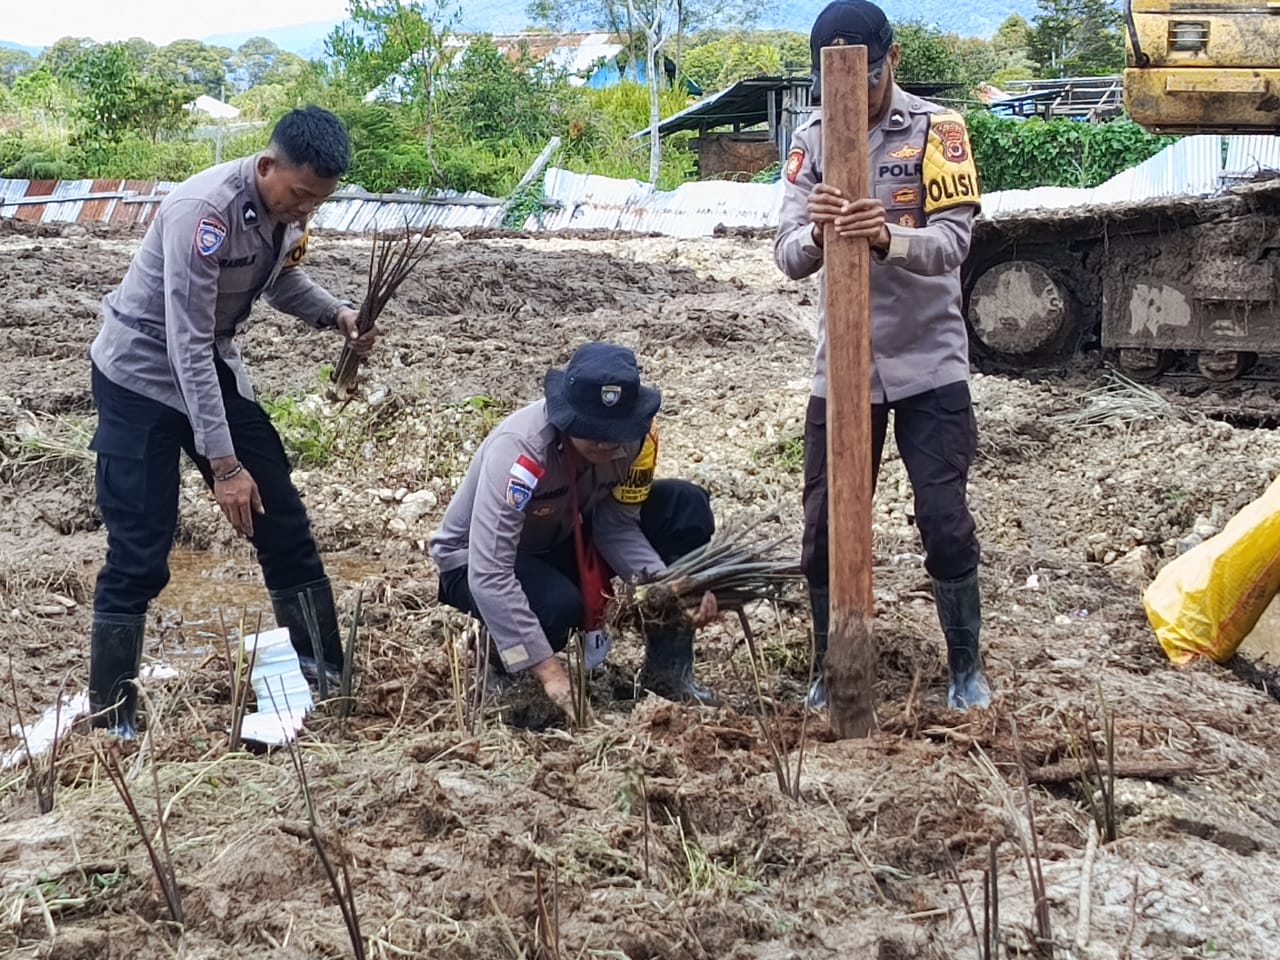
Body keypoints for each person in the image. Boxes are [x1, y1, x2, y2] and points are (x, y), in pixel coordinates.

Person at [87, 106, 377, 737]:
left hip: (206, 362)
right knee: (139, 551)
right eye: (300, 195)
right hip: (139, 374)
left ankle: (322, 678)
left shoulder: (282, 213)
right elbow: (185, 341)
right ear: (267, 165)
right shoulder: (205, 214)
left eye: (318, 201)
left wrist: (337, 315)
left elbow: (279, 282)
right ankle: (112, 718)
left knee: (283, 522)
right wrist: (224, 466)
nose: (305, 210)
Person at [775, 0, 992, 711]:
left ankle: (965, 670)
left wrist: (888, 237)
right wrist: (816, 234)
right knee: (823, 529)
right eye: (837, 79)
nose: (854, 92)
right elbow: (786, 254)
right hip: (842, 369)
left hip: (929, 362)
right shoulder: (810, 136)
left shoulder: (939, 130)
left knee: (944, 520)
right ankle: (831, 665)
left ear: (891, 61)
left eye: (867, 76)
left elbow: (954, 245)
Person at [429, 342, 718, 721]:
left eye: (615, 430)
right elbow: (490, 572)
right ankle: (504, 660)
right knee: (557, 608)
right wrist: (551, 673)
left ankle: (668, 672)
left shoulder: (639, 439)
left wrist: (669, 590)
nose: (606, 442)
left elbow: (616, 526)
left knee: (683, 504)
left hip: (566, 534)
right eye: (593, 430)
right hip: (477, 560)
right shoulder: (520, 452)